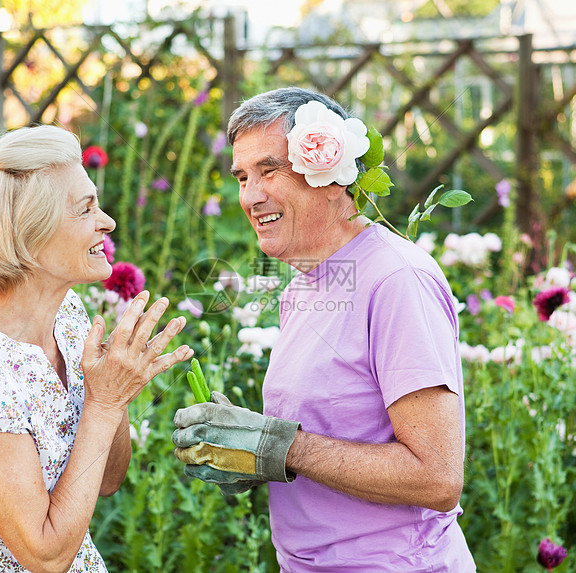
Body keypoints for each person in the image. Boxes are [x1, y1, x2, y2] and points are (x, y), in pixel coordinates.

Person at [172, 87, 475, 571]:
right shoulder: (304, 285)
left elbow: (436, 478)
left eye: (270, 170)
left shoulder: (396, 279)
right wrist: (248, 448)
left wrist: (279, 444)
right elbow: (325, 434)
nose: (250, 196)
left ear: (331, 176)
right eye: (243, 177)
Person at [0, 125, 193, 572]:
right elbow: (46, 556)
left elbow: (106, 480)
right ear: (29, 237)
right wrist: (104, 403)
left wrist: (112, 390)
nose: (107, 221)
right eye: (86, 209)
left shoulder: (67, 313)